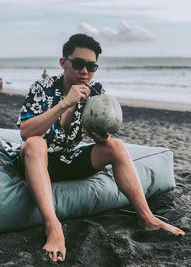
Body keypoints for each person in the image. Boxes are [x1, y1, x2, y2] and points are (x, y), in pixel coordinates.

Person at [15, 34, 185, 263]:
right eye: (78, 64)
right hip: (35, 160)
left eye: (91, 66)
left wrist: (101, 136)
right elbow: (26, 131)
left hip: (67, 159)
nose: (84, 71)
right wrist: (65, 103)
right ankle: (53, 227)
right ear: (63, 63)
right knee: (36, 143)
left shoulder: (95, 91)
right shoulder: (42, 87)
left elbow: (102, 130)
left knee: (115, 146)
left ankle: (146, 217)